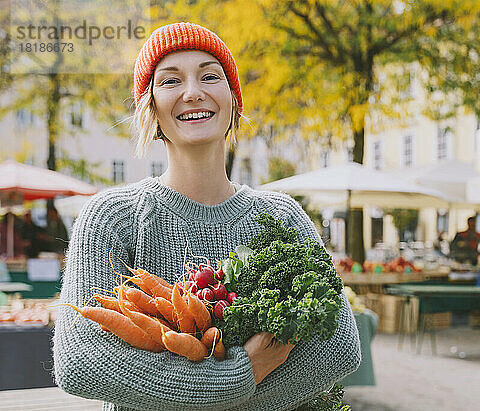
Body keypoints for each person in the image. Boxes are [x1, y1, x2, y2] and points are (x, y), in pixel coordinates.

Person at [53, 22, 360, 411]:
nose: (193, 92)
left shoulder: (283, 216)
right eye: (170, 81)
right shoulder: (111, 218)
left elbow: (339, 349)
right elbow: (82, 360)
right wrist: (240, 375)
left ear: (233, 100)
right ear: (150, 109)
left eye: (210, 76)